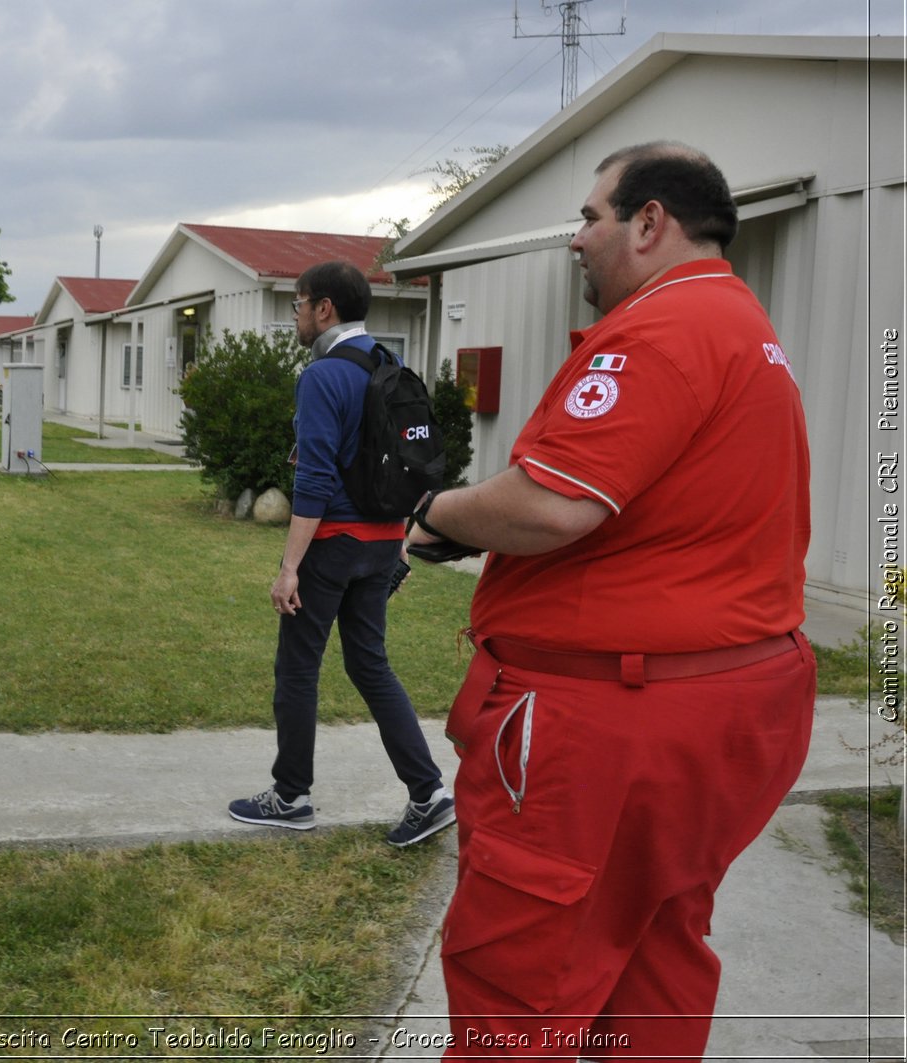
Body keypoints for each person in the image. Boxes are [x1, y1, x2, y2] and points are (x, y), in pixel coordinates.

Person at [405, 142, 814, 1059]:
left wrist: (437, 511)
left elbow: (553, 503)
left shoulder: (662, 327)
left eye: (589, 218)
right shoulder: (744, 327)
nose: (577, 240)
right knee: (652, 956)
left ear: (650, 222)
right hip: (730, 704)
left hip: (613, 724)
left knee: (519, 984)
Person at [225, 261, 453, 846]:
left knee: (297, 669)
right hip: (380, 545)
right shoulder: (390, 365)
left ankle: (291, 795)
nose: (296, 315)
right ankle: (428, 792)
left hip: (332, 548)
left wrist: (289, 568)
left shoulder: (323, 376)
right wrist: (401, 545)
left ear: (324, 308)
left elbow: (315, 482)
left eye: (298, 305)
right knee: (369, 665)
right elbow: (410, 472)